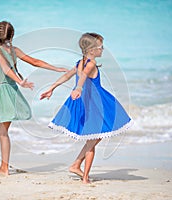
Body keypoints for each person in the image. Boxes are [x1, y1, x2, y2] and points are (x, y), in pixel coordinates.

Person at [0, 21, 67, 175]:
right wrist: (56, 68)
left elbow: (5, 68)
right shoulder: (14, 50)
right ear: (12, 35)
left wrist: (20, 81)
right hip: (10, 94)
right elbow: (35, 62)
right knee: (3, 132)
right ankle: (4, 167)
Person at [40, 33, 132, 183]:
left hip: (90, 103)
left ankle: (76, 164)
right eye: (100, 46)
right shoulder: (90, 64)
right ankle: (85, 178)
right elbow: (82, 77)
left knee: (98, 135)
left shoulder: (79, 62)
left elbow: (67, 76)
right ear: (91, 49)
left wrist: (52, 88)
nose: (102, 49)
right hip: (93, 104)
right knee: (92, 140)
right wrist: (78, 88)